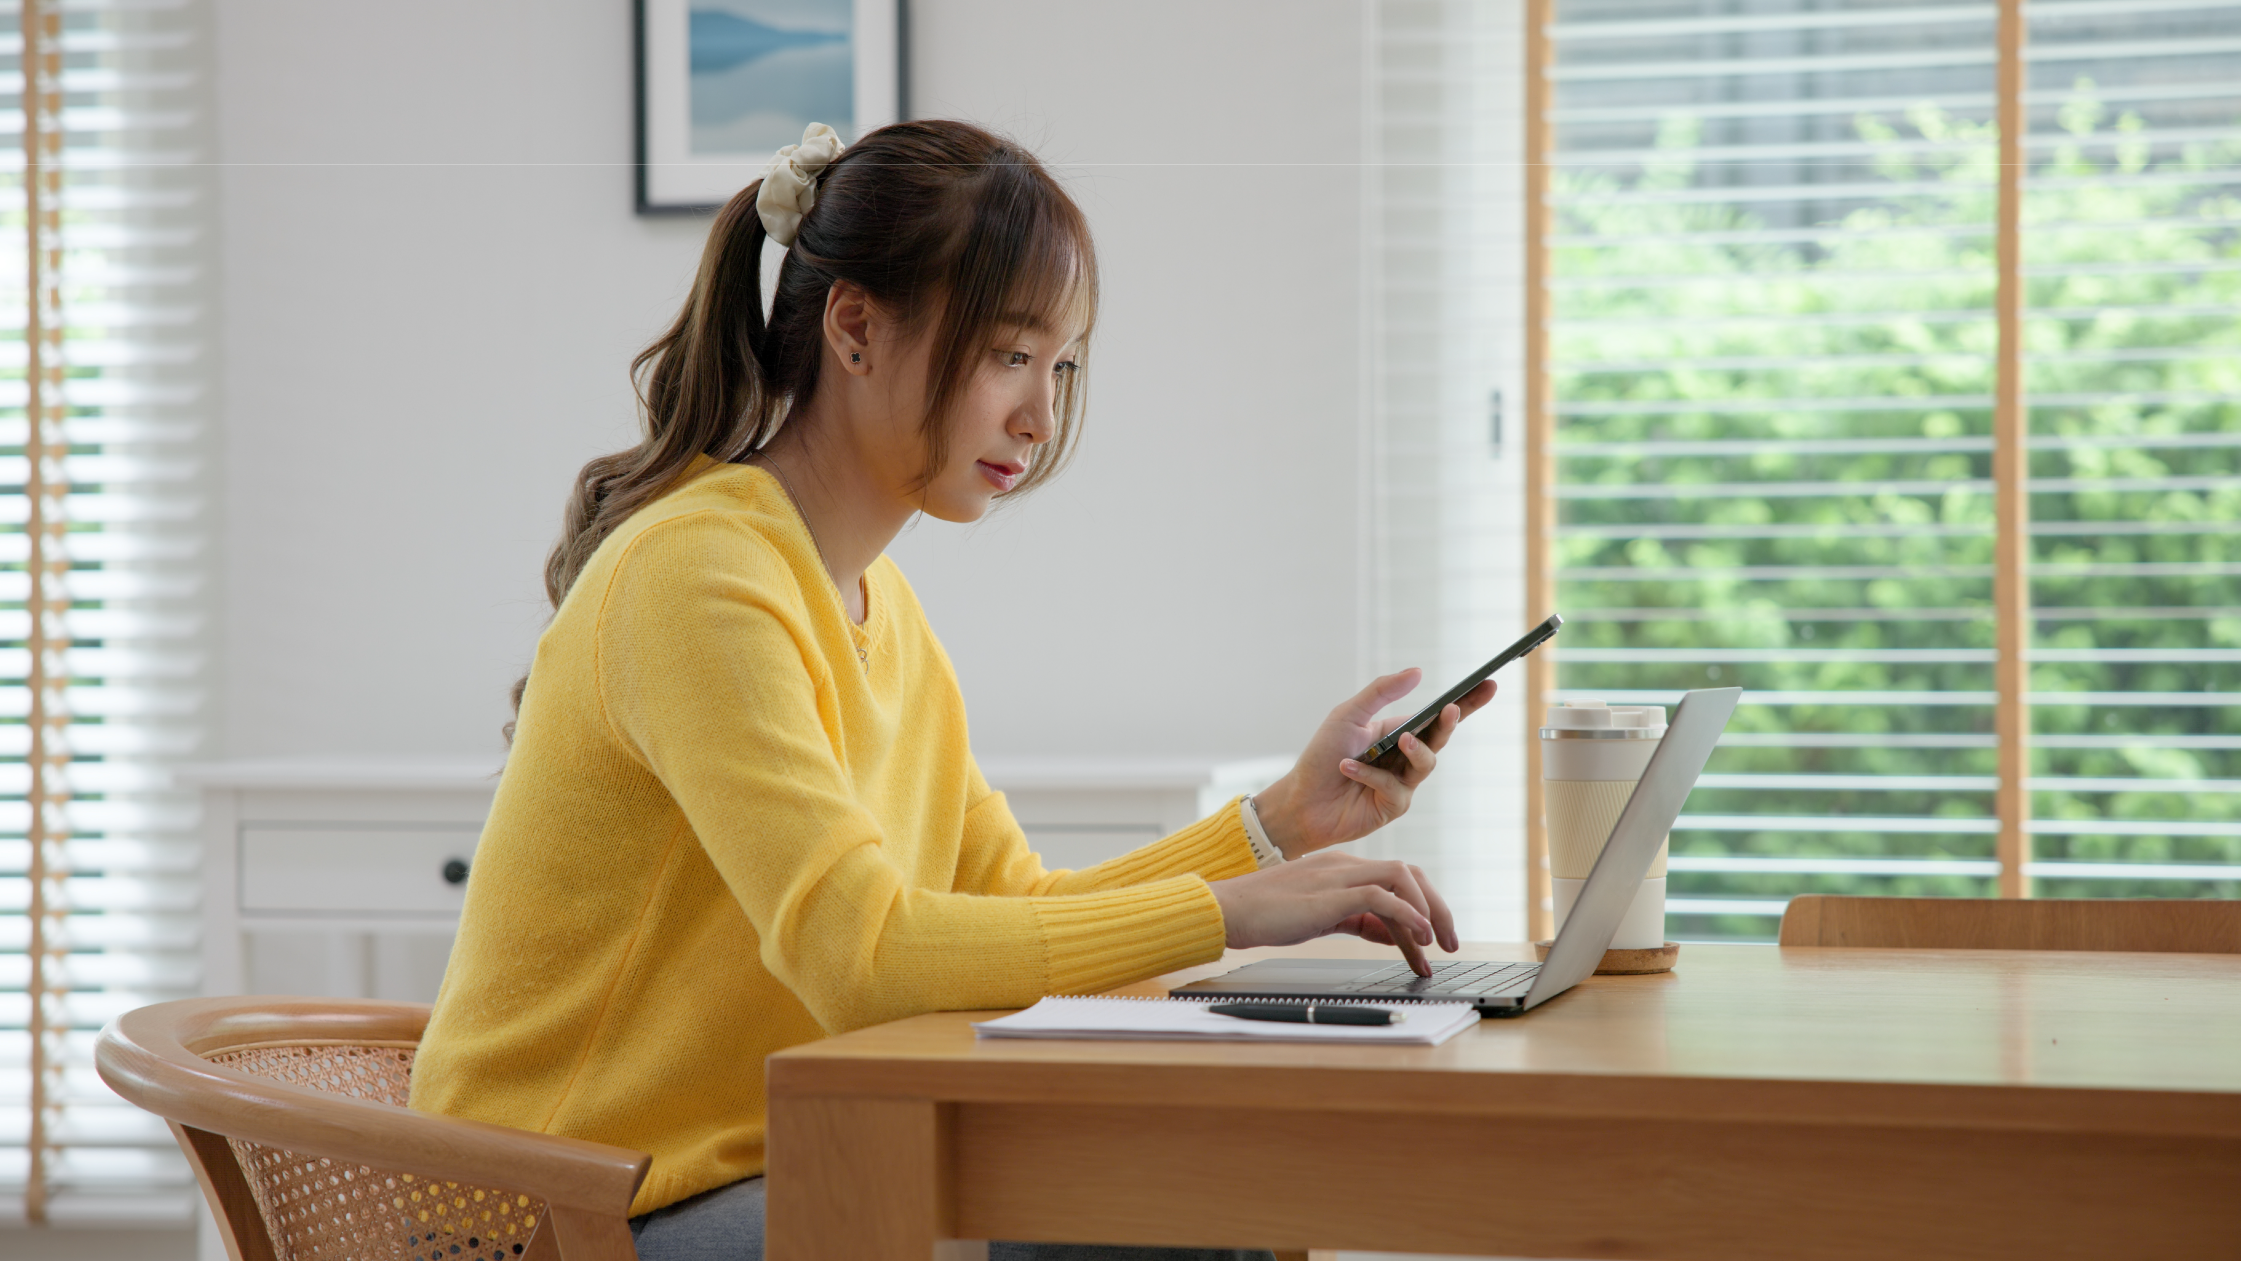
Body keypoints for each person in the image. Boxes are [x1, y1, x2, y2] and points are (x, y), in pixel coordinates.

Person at [409, 119, 1493, 1261]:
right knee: (1167, 1222)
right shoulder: (700, 578)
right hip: (555, 1215)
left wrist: (1277, 830)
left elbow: (1019, 915)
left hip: (751, 1168)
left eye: (1060, 365)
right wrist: (1231, 912)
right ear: (857, 328)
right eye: (1007, 355)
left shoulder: (881, 612)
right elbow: (864, 959)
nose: (1040, 414)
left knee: (1198, 1200)